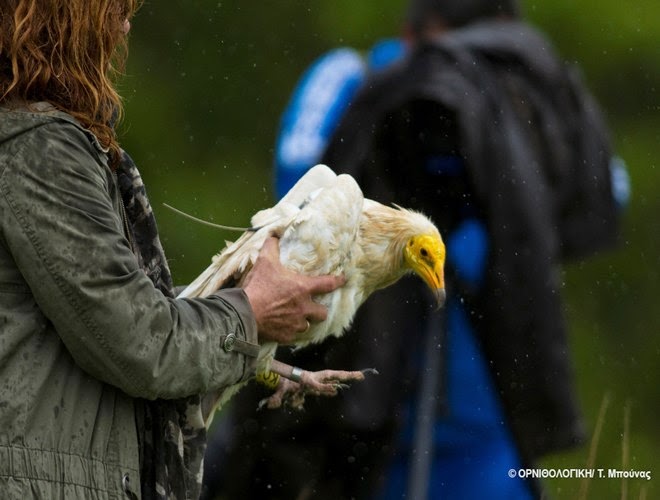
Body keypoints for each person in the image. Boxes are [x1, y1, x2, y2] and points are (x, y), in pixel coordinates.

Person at [203, 0, 628, 499]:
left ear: (413, 30)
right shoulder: (540, 97)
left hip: (365, 416)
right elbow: (603, 202)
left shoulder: (349, 78)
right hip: (494, 420)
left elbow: (295, 191)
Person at [0, 1, 346, 499]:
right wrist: (250, 314)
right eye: (113, 8)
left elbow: (93, 320)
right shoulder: (39, 148)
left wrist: (239, 314)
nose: (124, 26)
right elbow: (135, 340)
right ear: (60, 17)